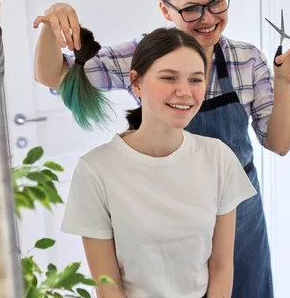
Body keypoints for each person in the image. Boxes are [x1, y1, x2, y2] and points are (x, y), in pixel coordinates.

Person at [33, 0, 290, 297]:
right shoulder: (146, 55)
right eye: (191, 9)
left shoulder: (246, 59)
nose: (208, 18)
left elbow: (279, 144)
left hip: (239, 209)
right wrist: (52, 20)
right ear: (165, 11)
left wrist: (284, 80)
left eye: (217, 3)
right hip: (172, 211)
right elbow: (53, 75)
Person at [60, 26, 257, 298]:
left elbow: (222, 267)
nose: (185, 92)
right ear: (137, 83)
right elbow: (108, 286)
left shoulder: (219, 158)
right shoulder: (96, 171)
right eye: (169, 78)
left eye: (196, 80)